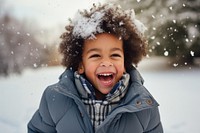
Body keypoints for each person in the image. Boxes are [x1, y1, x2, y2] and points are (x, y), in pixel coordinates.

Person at [28, 3, 163, 133]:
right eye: (95, 55)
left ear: (125, 62)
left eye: (115, 55)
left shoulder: (143, 105)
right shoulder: (55, 99)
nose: (106, 62)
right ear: (81, 64)